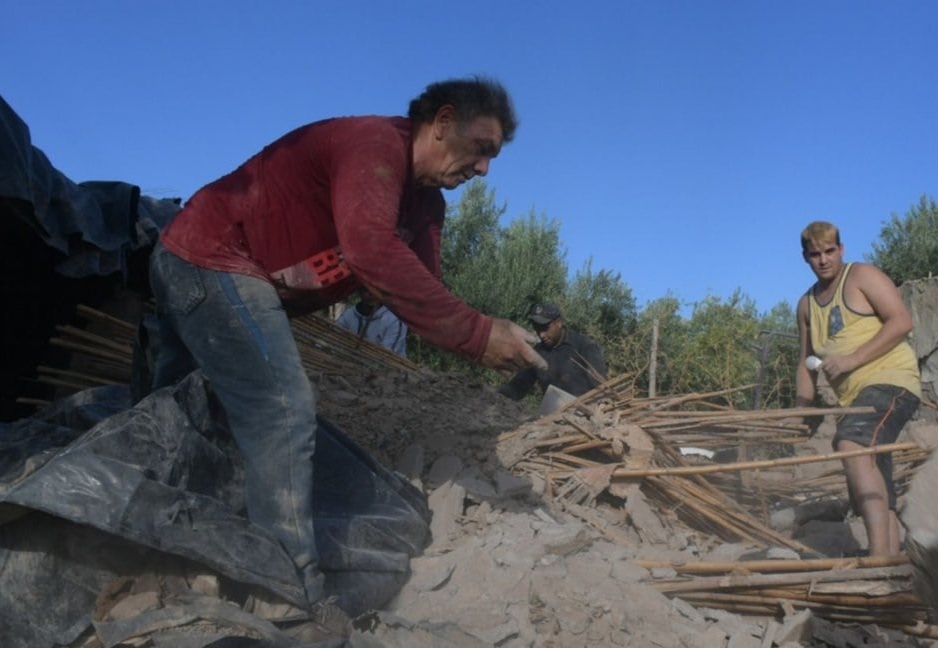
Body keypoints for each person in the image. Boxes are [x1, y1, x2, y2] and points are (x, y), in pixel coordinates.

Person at [146, 76, 545, 609]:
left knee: (169, 410)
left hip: (232, 275)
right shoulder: (376, 145)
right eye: (482, 149)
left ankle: (156, 531)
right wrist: (476, 334)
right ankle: (284, 595)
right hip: (209, 255)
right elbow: (368, 248)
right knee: (282, 411)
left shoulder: (426, 207)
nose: (484, 169)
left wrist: (488, 338)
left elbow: (420, 291)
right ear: (443, 122)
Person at [794, 221, 920, 557]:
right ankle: (892, 561)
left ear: (842, 249)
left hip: (892, 380)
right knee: (874, 471)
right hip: (856, 399)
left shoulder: (862, 276)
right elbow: (805, 362)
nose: (823, 260)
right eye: (815, 254)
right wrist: (802, 410)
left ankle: (877, 559)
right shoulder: (806, 305)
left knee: (852, 444)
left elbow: (902, 321)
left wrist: (852, 359)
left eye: (830, 251)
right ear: (805, 258)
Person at [499, 303, 607, 401]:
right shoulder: (538, 352)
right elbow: (518, 387)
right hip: (552, 416)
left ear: (559, 323)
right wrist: (495, 395)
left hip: (583, 416)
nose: (541, 335)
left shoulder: (585, 346)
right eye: (537, 329)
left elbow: (600, 387)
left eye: (545, 328)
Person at [336, 293, 408, 357]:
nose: (370, 293)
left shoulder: (394, 319)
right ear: (359, 291)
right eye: (366, 289)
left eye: (373, 289)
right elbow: (336, 336)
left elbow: (387, 356)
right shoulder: (349, 315)